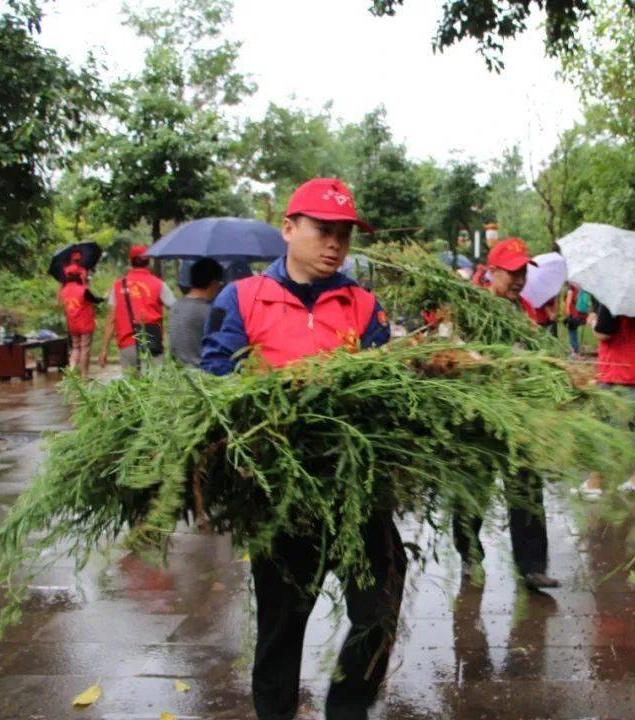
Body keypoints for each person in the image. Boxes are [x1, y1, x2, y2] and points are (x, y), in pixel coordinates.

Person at [201, 177, 403, 720]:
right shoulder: (241, 298)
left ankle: (347, 710)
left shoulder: (364, 306)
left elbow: (384, 390)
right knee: (283, 624)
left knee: (378, 609)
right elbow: (215, 378)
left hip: (355, 486)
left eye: (344, 234)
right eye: (322, 231)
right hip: (281, 491)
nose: (334, 244)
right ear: (288, 229)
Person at [454, 237, 560, 590]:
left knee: (527, 486)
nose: (518, 280)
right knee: (474, 489)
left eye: (522, 273)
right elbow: (454, 354)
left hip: (518, 413)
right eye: (512, 273)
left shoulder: (524, 309)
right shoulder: (471, 308)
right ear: (493, 272)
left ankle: (531, 566)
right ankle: (470, 555)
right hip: (479, 414)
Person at [576, 297, 635, 499]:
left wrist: (592, 320)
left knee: (604, 429)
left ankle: (594, 483)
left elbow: (604, 332)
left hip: (618, 373)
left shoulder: (615, 294)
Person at [97, 245, 177, 373]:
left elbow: (111, 319)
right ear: (148, 261)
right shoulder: (158, 284)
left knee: (132, 389)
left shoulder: (118, 286)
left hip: (127, 344)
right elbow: (176, 310)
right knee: (154, 388)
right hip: (152, 343)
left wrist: (104, 349)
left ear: (130, 261)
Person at [168, 258, 223, 368]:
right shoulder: (210, 312)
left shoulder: (176, 306)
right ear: (213, 283)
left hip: (178, 372)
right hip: (202, 376)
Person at [58, 270, 103, 378]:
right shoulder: (83, 290)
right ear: (79, 277)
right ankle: (84, 375)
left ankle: (72, 370)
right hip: (85, 323)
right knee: (85, 348)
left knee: (75, 347)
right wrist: (103, 298)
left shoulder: (63, 291)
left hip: (72, 324)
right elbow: (95, 299)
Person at [562, 283, 587, 358]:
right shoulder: (581, 287)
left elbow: (568, 301)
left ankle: (575, 352)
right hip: (579, 313)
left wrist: (567, 313)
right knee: (574, 332)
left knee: (572, 332)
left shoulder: (571, 288)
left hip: (573, 313)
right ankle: (577, 350)